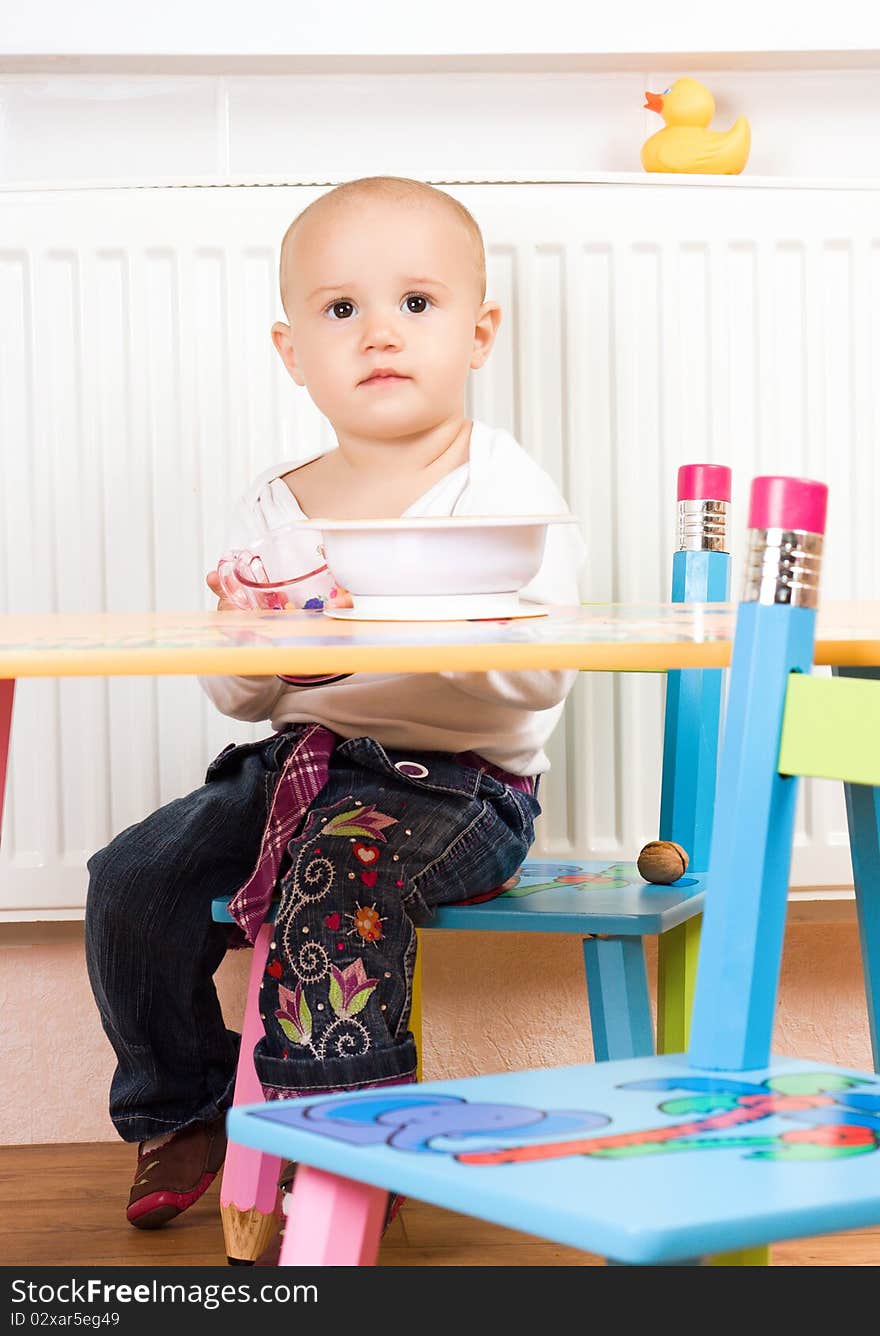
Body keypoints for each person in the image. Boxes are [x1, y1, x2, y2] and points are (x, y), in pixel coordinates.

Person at [85, 176, 585, 1239]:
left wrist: (378, 643)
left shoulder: (503, 491)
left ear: (479, 332)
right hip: (299, 763)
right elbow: (239, 695)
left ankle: (342, 1140)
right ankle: (183, 1105)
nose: (378, 336)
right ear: (291, 349)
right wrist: (262, 644)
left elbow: (539, 678)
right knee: (131, 876)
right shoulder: (277, 505)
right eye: (340, 309)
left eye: (416, 303)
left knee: (336, 874)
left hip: (456, 781)